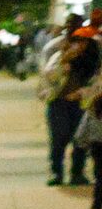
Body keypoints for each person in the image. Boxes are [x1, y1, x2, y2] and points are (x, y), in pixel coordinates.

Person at [42, 22, 98, 185]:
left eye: (82, 42)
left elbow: (96, 82)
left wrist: (81, 93)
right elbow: (48, 77)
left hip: (81, 104)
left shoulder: (91, 61)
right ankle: (56, 172)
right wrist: (62, 64)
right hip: (58, 102)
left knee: (80, 140)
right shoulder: (58, 57)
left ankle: (77, 173)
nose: (78, 46)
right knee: (59, 138)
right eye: (75, 41)